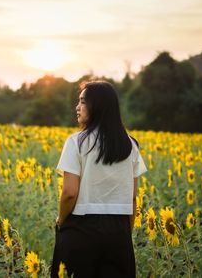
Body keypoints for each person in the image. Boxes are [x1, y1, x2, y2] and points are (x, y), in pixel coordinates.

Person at [51, 80, 147, 278]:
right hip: (119, 231)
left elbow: (69, 193)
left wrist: (61, 221)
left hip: (81, 229)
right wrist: (123, 235)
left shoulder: (77, 142)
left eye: (83, 102)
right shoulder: (131, 145)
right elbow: (132, 198)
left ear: (98, 106)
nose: (77, 107)